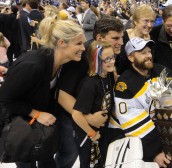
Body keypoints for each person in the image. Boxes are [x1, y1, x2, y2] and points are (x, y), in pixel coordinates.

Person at [0, 16, 85, 168]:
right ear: (61, 43)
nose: (83, 48)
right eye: (78, 43)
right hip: (20, 127)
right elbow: (5, 99)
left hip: (41, 129)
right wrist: (36, 114)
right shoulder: (33, 65)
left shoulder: (63, 63)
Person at [55, 17, 124, 168]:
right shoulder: (82, 57)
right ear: (99, 38)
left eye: (122, 37)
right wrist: (87, 117)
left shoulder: (107, 53)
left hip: (95, 118)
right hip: (72, 115)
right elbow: (61, 93)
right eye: (115, 38)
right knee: (70, 153)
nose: (121, 42)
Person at [112, 37, 171, 167]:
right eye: (143, 53)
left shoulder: (161, 70)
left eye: (149, 52)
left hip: (157, 132)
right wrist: (155, 152)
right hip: (132, 139)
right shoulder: (125, 84)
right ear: (131, 58)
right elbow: (134, 124)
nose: (148, 56)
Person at [72, 41, 115, 168]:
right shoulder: (90, 84)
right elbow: (76, 114)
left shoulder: (108, 76)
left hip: (101, 133)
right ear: (95, 61)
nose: (112, 61)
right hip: (88, 135)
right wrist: (92, 133)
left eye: (113, 57)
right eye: (107, 59)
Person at [118, 4, 156, 75]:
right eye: (146, 21)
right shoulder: (123, 37)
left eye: (152, 21)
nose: (150, 25)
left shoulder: (152, 38)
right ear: (135, 21)